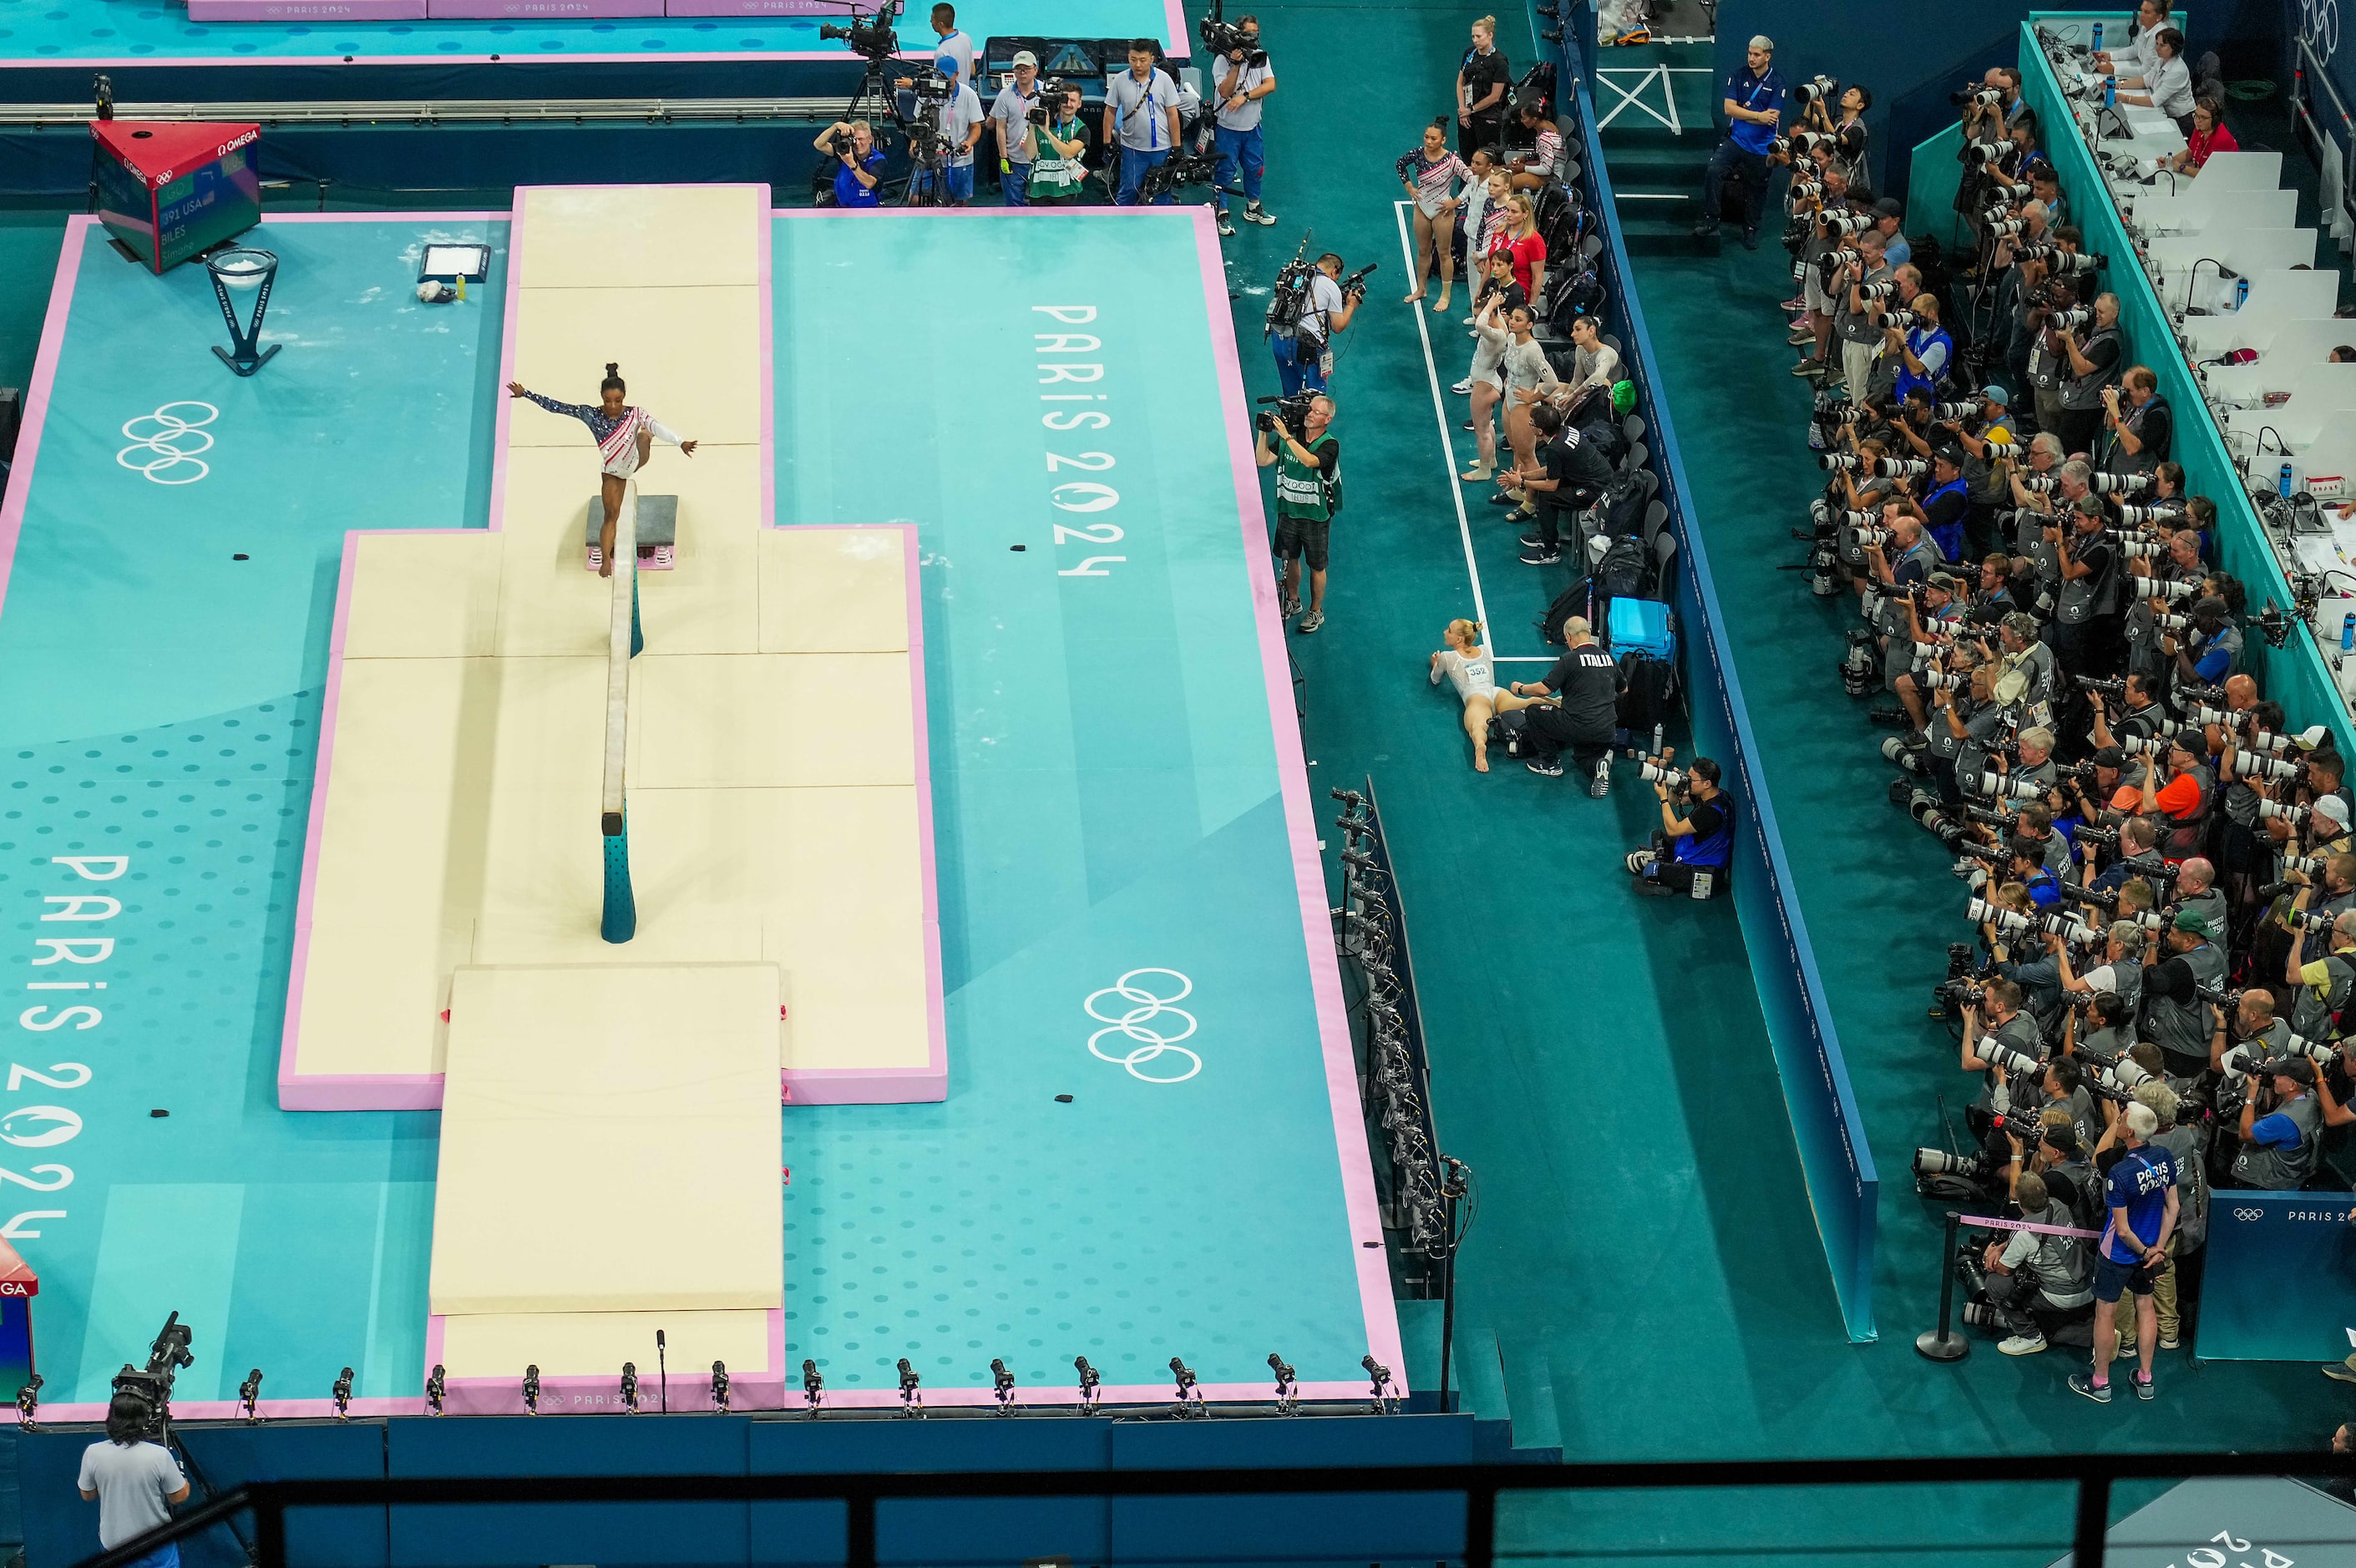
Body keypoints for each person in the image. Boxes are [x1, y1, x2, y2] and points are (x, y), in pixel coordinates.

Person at [508, 364, 698, 579]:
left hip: (636, 458)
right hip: (612, 471)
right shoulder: (591, 414)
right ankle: (607, 559)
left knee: (647, 435)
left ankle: (644, 436)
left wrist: (680, 442)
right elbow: (558, 407)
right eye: (608, 401)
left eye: (618, 400)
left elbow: (660, 427)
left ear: (624, 396)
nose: (613, 406)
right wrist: (526, 394)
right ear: (602, 397)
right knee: (610, 515)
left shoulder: (635, 413)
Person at [2070, 1100, 2179, 1404]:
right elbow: (2174, 1207)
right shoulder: (2164, 1157)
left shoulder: (2120, 1173)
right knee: (2146, 1309)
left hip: (2119, 1254)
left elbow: (2123, 1230)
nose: (2118, 1121)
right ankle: (2145, 1378)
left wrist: (2146, 1252)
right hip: (2150, 1252)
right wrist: (2158, 1249)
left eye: (2121, 1119)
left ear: (2128, 1131)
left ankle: (2101, 1383)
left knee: (2106, 1313)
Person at [1978, 1170, 2095, 1357]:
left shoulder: (2024, 1234)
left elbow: (2004, 1270)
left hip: (2063, 1296)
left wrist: (1988, 1256)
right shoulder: (2058, 1205)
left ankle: (2031, 1337)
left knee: (1995, 1284)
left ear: (2020, 1203)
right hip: (2090, 1285)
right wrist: (2001, 1247)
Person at [1256, 394, 1340, 633]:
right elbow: (1262, 460)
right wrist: (1264, 431)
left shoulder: (1329, 444)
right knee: (1289, 558)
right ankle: (1293, 601)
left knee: (1316, 565)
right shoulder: (1289, 438)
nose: (1309, 414)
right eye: (1309, 409)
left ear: (1328, 419)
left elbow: (1311, 461)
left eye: (1315, 412)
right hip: (1289, 511)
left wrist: (1286, 436)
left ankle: (1316, 611)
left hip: (1315, 516)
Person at [1693, 34, 1785, 248]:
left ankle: (1751, 229)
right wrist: (1757, 116)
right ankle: (1711, 218)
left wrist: (1748, 113)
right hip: (1736, 140)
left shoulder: (1778, 82)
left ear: (1767, 56)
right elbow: (1729, 108)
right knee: (1714, 171)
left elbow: (1771, 116)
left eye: (1756, 54)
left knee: (1757, 190)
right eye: (1749, 53)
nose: (1751, 58)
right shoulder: (1738, 75)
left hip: (1762, 148)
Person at [1503, 620, 1619, 791]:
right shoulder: (1609, 658)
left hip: (1578, 725)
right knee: (1583, 756)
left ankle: (1549, 763)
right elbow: (1623, 690)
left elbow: (1544, 690)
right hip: (1606, 730)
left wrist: (1520, 688)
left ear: (1569, 636)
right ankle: (1597, 767)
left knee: (1534, 711)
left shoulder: (1570, 659)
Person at [79, 1393, 190, 1568]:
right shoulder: (159, 1455)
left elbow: (87, 1494)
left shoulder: (93, 1453)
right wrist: (184, 1481)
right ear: (144, 1419)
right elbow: (178, 1497)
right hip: (156, 1548)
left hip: (113, 1548)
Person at [1626, 754, 1730, 894]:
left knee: (1650, 871)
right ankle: (1662, 861)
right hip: (1695, 848)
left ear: (1707, 783)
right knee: (1656, 835)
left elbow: (1673, 829)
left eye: (1691, 780)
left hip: (1703, 869)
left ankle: (1661, 877)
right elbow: (1676, 801)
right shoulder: (1712, 794)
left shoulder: (1710, 813)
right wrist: (1677, 786)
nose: (1689, 782)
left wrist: (1663, 798)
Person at [1211, 16, 1276, 235]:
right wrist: (1236, 65)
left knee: (1255, 169)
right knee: (1225, 171)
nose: (1254, 38)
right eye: (1249, 34)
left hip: (1252, 128)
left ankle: (1253, 207)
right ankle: (1222, 211)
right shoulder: (1222, 60)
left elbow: (1270, 85)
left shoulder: (1260, 58)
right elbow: (1225, 92)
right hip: (1228, 129)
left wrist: (1246, 96)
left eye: (1256, 33)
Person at [1398, 119, 1471, 312]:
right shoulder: (1418, 153)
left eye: (1433, 138)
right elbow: (1400, 165)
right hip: (1422, 208)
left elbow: (1472, 180)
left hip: (1442, 211)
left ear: (1443, 140)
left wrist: (1456, 201)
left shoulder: (1452, 161)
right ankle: (1421, 289)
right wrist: (1410, 187)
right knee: (1423, 251)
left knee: (1444, 253)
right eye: (1426, 137)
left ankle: (1445, 295)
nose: (1428, 142)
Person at [1104, 39, 1183, 206]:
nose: (1137, 64)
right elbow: (1110, 111)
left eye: (1142, 60)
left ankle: (1162, 227)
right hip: (1133, 149)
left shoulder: (1165, 80)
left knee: (1162, 190)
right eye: (1133, 60)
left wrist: (1177, 146)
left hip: (1161, 149)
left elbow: (1172, 114)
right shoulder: (1120, 81)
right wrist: (1107, 141)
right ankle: (1119, 226)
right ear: (1128, 58)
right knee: (1128, 190)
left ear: (1152, 59)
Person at [1270, 253, 1358, 397]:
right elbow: (1338, 326)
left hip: (1279, 339)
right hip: (1305, 347)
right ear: (1334, 271)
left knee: (1291, 395)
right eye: (1337, 277)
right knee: (1314, 399)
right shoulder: (1330, 286)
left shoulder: (1295, 275)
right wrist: (1351, 305)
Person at [904, 54, 985, 205]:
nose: (944, 81)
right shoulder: (925, 92)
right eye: (940, 77)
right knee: (914, 199)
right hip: (929, 154)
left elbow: (976, 126)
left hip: (958, 158)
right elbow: (919, 120)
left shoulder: (968, 95)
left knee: (958, 203)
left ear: (957, 74)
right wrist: (915, 142)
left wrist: (969, 142)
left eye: (947, 77)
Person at [2112, 27, 2196, 135]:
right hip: (2164, 111)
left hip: (2181, 120)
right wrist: (2117, 85)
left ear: (2174, 48)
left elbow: (2154, 101)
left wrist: (2125, 98)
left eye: (2162, 45)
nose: (2157, 48)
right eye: (2157, 44)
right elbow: (2145, 80)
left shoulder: (2177, 71)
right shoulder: (2162, 60)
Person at [988, 51, 1044, 206]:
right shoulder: (1005, 95)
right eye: (1018, 68)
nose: (1022, 71)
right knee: (1014, 207)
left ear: (1035, 70)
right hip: (1015, 161)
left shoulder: (1047, 92)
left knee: (1042, 206)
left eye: (1026, 68)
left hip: (1042, 161)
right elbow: (1000, 128)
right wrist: (1004, 157)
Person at [1026, 84, 1092, 206]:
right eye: (1065, 100)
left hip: (1066, 190)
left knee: (1067, 225)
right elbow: (1030, 154)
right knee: (1037, 226)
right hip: (1039, 189)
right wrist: (1032, 125)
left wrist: (1047, 133)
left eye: (1073, 100)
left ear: (1079, 104)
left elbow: (1068, 153)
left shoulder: (1081, 129)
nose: (1068, 104)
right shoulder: (1039, 123)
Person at [1455, 17, 1511, 159]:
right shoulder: (1469, 53)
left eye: (1479, 36)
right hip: (1466, 115)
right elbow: (1460, 82)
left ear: (1490, 35)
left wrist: (1471, 110)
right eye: (1473, 36)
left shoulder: (1500, 62)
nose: (1475, 40)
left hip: (1488, 117)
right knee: (1467, 154)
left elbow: (1495, 96)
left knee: (1486, 157)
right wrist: (1462, 110)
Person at [814, 119, 885, 209]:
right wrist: (835, 126)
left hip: (868, 211)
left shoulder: (878, 159)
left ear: (870, 139)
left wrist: (851, 163)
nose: (858, 143)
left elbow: (869, 183)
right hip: (841, 209)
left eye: (861, 139)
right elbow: (819, 144)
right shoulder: (845, 152)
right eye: (855, 139)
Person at [2167, 95, 2238, 175]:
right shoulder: (2200, 129)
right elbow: (2190, 152)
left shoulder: (2221, 140)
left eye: (2203, 118)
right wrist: (2169, 161)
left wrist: (2182, 168)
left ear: (2215, 120)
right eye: (2196, 115)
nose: (2197, 121)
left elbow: (2209, 174)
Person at [1507, 96, 1563, 192]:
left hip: (1551, 178)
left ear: (1534, 119)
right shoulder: (1546, 125)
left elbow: (1546, 170)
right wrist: (1526, 157)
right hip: (1546, 168)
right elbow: (1544, 154)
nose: (1521, 121)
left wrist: (1524, 168)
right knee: (1507, 170)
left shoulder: (1545, 138)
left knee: (1504, 184)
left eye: (1524, 118)